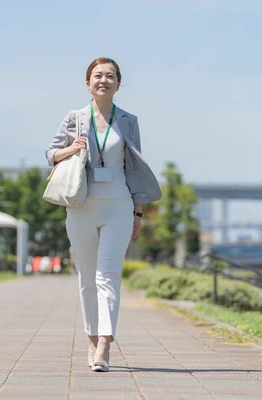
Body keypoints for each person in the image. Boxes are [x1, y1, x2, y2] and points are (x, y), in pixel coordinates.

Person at [45, 57, 162, 372]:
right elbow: (50, 153)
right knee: (86, 277)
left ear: (118, 84)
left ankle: (106, 344)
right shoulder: (75, 118)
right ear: (88, 83)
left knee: (107, 275)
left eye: (110, 76)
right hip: (81, 204)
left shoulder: (128, 120)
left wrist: (138, 212)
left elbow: (134, 168)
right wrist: (71, 149)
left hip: (119, 204)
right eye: (97, 76)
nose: (103, 80)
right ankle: (91, 338)